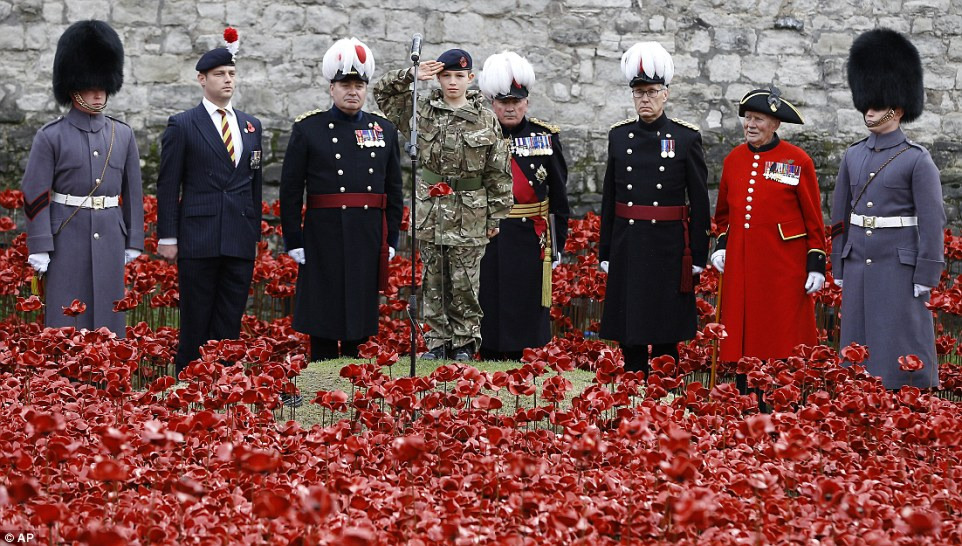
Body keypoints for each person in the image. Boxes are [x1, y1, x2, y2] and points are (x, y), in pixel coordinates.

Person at [374, 48, 512, 362]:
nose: (452, 82)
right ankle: (437, 343)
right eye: (446, 76)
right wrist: (412, 74)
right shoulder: (420, 110)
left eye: (459, 76)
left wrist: (496, 216)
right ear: (438, 77)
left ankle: (463, 343)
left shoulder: (485, 117)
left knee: (464, 282)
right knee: (433, 281)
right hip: (431, 211)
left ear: (470, 79)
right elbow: (382, 93)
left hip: (470, 212)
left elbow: (498, 170)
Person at [830, 28, 944, 390]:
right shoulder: (853, 154)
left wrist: (927, 271)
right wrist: (838, 261)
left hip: (898, 263)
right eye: (867, 102)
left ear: (895, 108)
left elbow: (931, 221)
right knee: (859, 333)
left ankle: (903, 395)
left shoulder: (916, 160)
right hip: (858, 258)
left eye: (877, 104)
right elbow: (840, 216)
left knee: (900, 333)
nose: (869, 110)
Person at [280, 37, 403, 362]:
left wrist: (392, 236)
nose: (353, 91)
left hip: (366, 233)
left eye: (359, 85)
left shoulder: (384, 130)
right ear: (331, 88)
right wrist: (293, 238)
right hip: (323, 232)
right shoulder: (309, 129)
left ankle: (354, 373)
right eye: (345, 84)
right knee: (323, 306)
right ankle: (321, 369)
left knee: (360, 308)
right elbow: (291, 190)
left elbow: (394, 188)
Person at [22, 20, 144, 336]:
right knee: (66, 320)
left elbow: (133, 194)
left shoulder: (123, 134)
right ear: (74, 87)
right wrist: (39, 245)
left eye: (103, 86)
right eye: (91, 86)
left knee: (110, 317)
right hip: (66, 237)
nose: (98, 94)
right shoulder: (51, 136)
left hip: (110, 235)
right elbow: (35, 192)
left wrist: (134, 240)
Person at [598, 42, 710, 376]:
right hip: (628, 240)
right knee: (630, 317)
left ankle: (664, 377)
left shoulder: (685, 138)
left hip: (668, 243)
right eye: (639, 93)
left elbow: (700, 201)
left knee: (665, 319)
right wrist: (605, 249)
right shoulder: (619, 137)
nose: (645, 99)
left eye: (651, 92)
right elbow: (608, 197)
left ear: (665, 94)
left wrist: (699, 255)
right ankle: (634, 374)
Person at [156, 28, 263, 375]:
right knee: (196, 315)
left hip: (238, 235)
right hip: (198, 236)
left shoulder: (250, 125)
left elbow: (255, 180)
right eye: (220, 74)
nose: (228, 80)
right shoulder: (183, 124)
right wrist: (167, 236)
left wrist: (254, 231)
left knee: (231, 314)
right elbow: (169, 185)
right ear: (202, 79)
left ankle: (227, 379)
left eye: (232, 74)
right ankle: (188, 380)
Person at [710, 86, 826, 364]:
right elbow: (724, 215)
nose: (750, 125)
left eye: (758, 119)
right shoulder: (733, 159)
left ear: (775, 124)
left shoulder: (797, 161)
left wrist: (816, 264)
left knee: (781, 329)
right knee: (744, 324)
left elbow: (813, 218)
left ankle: (781, 386)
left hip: (784, 263)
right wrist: (721, 247)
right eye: (747, 118)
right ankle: (743, 388)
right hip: (742, 260)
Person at [475, 51, 570, 361]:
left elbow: (558, 198)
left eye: (516, 101)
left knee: (526, 307)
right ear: (493, 104)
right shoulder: (478, 136)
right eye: (504, 102)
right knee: (488, 302)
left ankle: (523, 365)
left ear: (526, 102)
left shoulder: (545, 137)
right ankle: (488, 359)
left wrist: (557, 247)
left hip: (532, 239)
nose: (510, 107)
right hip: (487, 237)